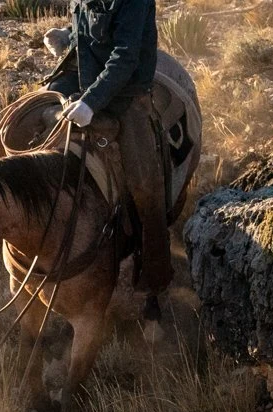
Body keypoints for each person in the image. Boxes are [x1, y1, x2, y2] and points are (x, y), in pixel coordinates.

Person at [45, 0, 171, 321]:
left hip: (127, 94)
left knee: (146, 188)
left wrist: (90, 103)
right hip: (85, 80)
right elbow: (89, 31)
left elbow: (125, 57)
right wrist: (68, 37)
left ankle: (153, 282)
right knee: (38, 123)